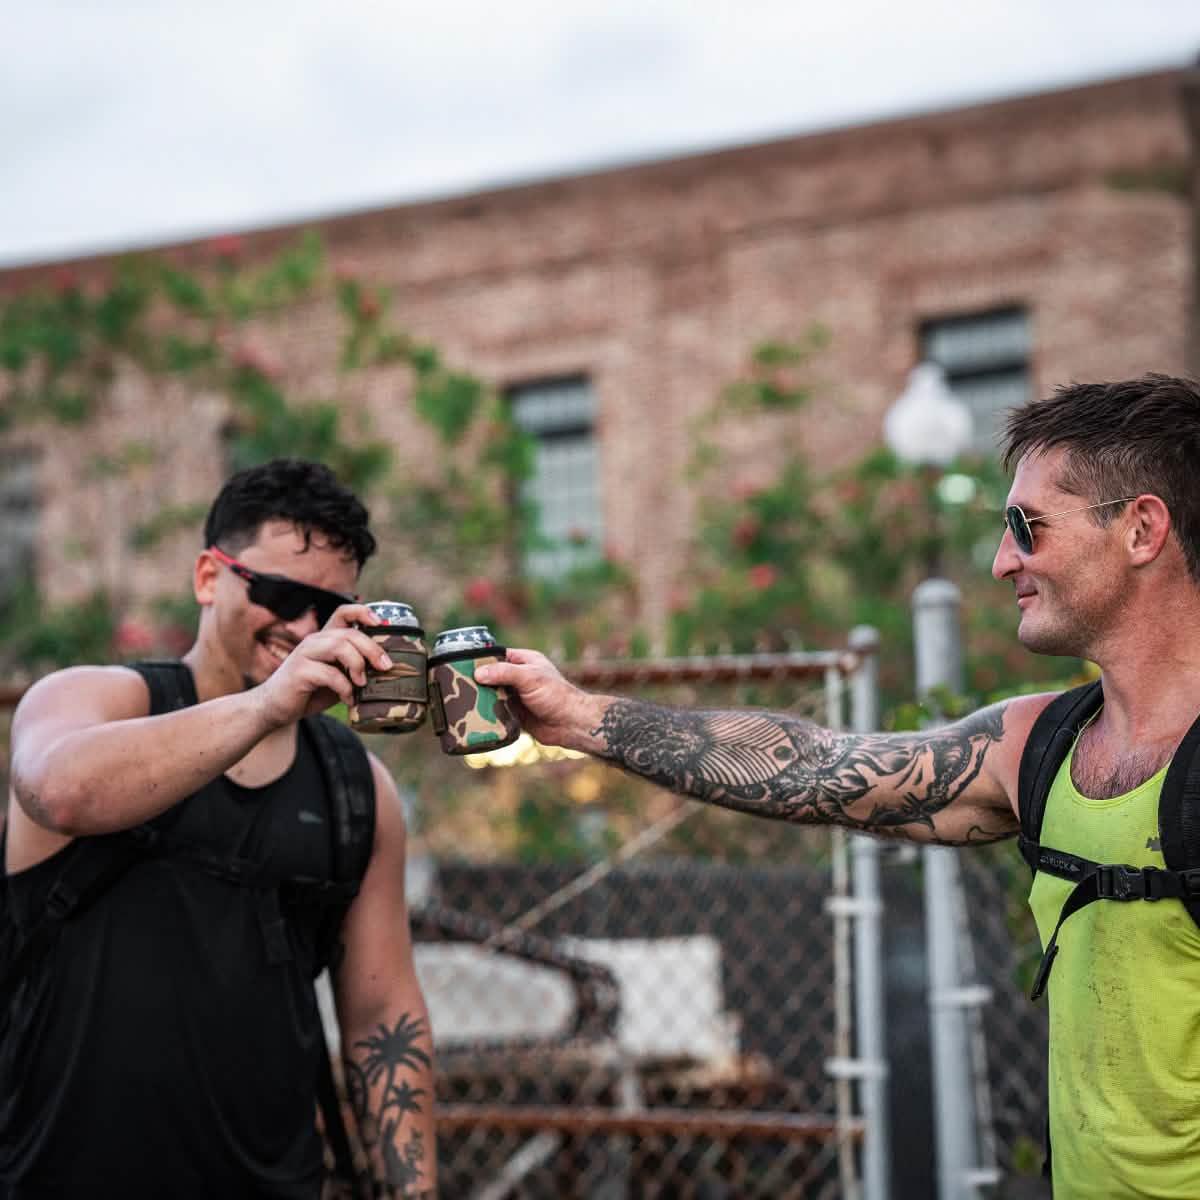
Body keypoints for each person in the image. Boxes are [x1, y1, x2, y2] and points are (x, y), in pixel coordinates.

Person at [477, 373, 1200, 1200]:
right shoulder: (1039, 746)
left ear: (1141, 529)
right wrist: (577, 718)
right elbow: (817, 767)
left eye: (1025, 527)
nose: (1004, 561)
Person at [2, 459, 436, 1199]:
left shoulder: (355, 787)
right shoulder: (93, 700)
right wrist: (270, 705)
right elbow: (59, 791)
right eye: (280, 594)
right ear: (210, 577)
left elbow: (382, 1015)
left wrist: (414, 1192)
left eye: (331, 610)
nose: (303, 628)